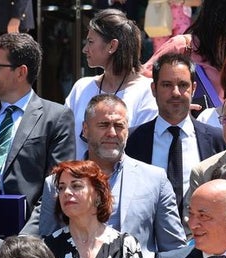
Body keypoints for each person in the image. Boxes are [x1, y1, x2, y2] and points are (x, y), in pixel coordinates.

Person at [25, 94, 184, 258]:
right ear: (85, 130)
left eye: (119, 126)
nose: (112, 133)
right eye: (103, 125)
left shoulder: (155, 179)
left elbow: (174, 251)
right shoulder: (58, 183)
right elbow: (44, 249)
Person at [0, 33, 75, 208]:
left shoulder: (56, 118)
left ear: (20, 72)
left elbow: (56, 188)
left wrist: (27, 235)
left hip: (28, 227)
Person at [124, 54, 226, 219]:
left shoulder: (218, 141)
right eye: (167, 85)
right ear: (153, 89)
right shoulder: (131, 141)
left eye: (183, 85)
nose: (176, 93)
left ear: (193, 88)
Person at [65, 9, 157, 158]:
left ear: (112, 46)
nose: (84, 49)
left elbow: (143, 147)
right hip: (80, 179)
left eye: (90, 42)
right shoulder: (81, 88)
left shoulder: (148, 91)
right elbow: (64, 139)